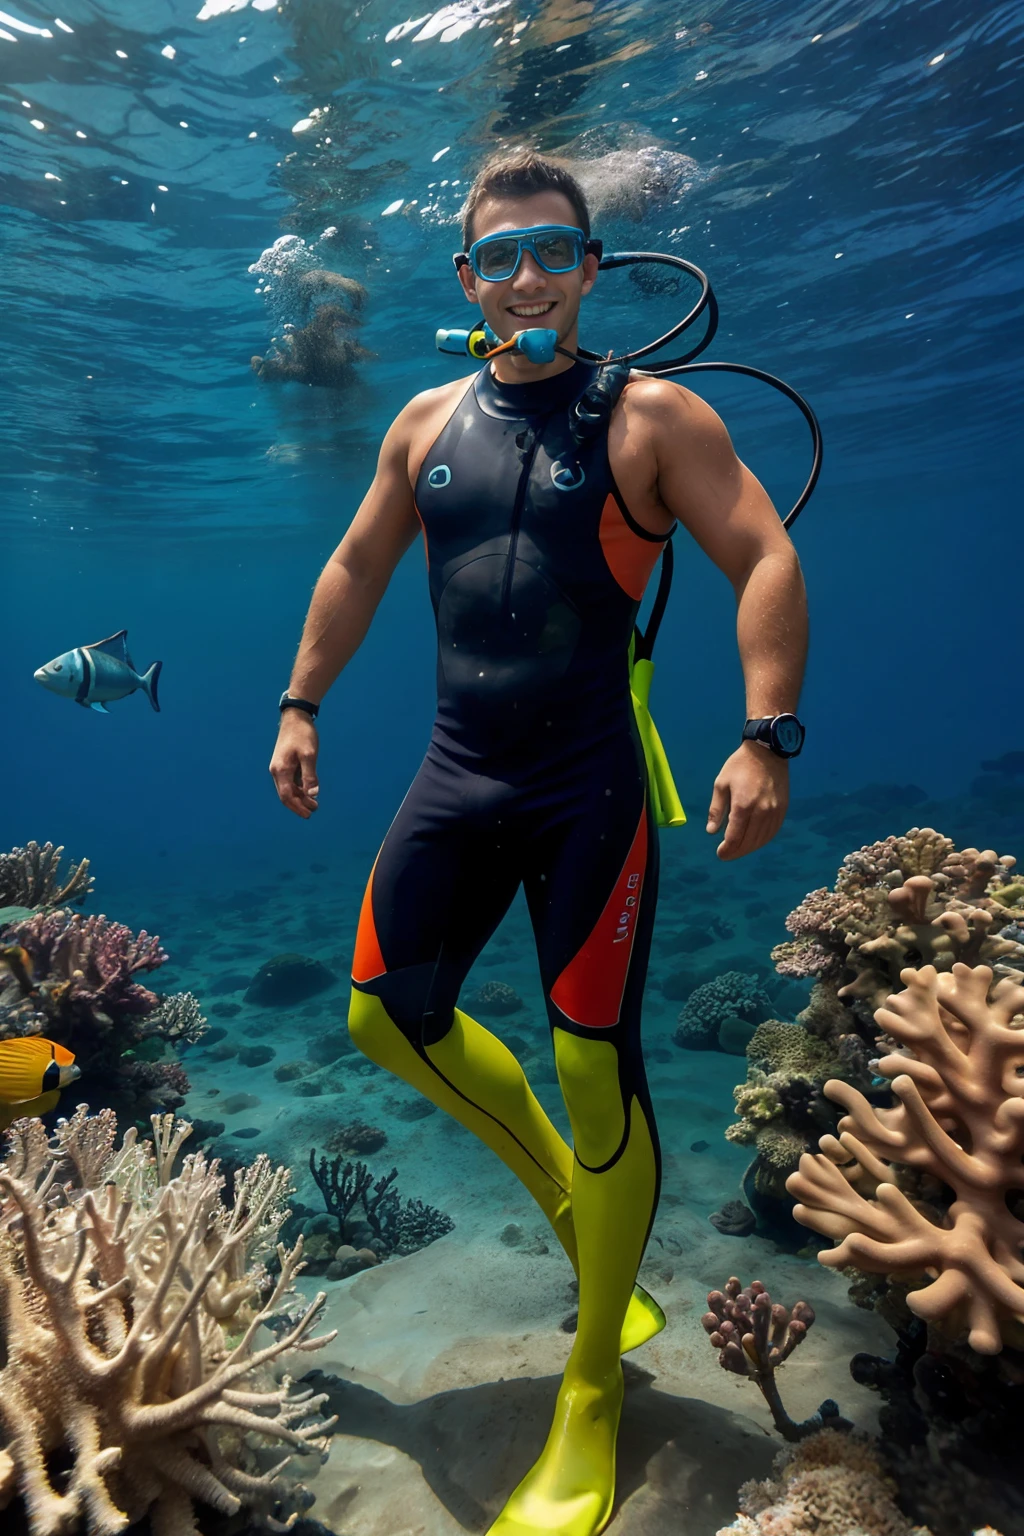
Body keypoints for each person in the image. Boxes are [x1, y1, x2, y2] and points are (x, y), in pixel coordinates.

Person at [270, 149, 808, 1536]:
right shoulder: (422, 422)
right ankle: (584, 1215)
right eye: (498, 256)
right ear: (467, 278)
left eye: (552, 252)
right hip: (460, 772)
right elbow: (355, 566)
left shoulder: (652, 418)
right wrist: (299, 705)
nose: (524, 278)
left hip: (589, 793)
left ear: (591, 267)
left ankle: (590, 1389)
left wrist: (766, 735)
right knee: (387, 1017)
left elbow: (764, 554)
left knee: (592, 1060)